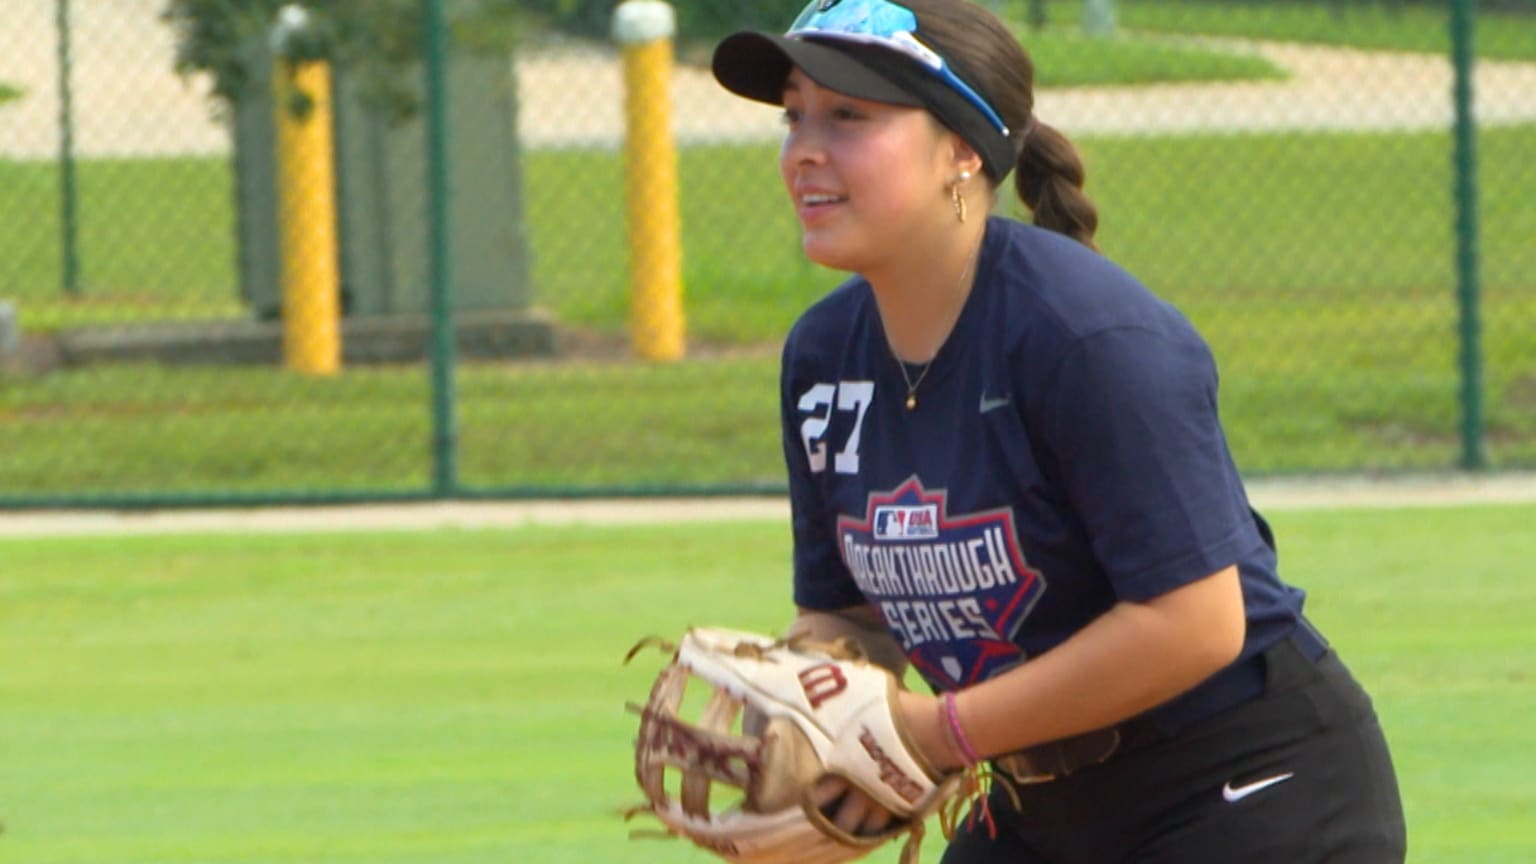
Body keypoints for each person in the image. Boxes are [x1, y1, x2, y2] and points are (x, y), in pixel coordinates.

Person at [709, 1, 1407, 861]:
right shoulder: (824, 356)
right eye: (795, 115)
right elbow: (849, 615)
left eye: (849, 115)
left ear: (962, 148)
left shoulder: (1086, 337)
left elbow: (1195, 622)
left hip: (1245, 789)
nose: (805, 149)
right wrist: (812, 717)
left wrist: (934, 734)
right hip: (1038, 811)